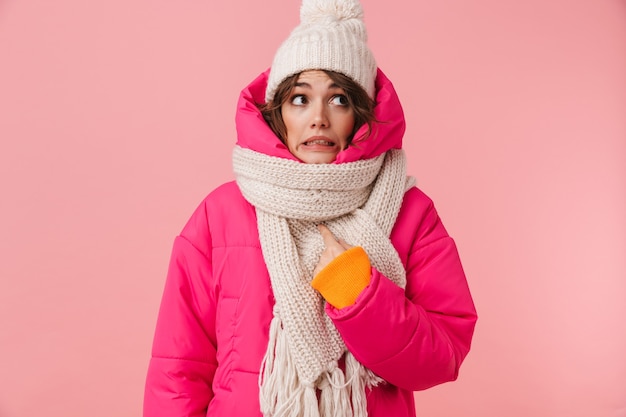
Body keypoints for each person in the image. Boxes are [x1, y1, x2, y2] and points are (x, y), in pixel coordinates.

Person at [143, 0, 477, 416]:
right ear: (277, 112)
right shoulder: (220, 214)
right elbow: (178, 370)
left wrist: (360, 295)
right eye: (300, 99)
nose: (318, 117)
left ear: (361, 114)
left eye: (338, 99)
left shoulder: (411, 214)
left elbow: (442, 356)